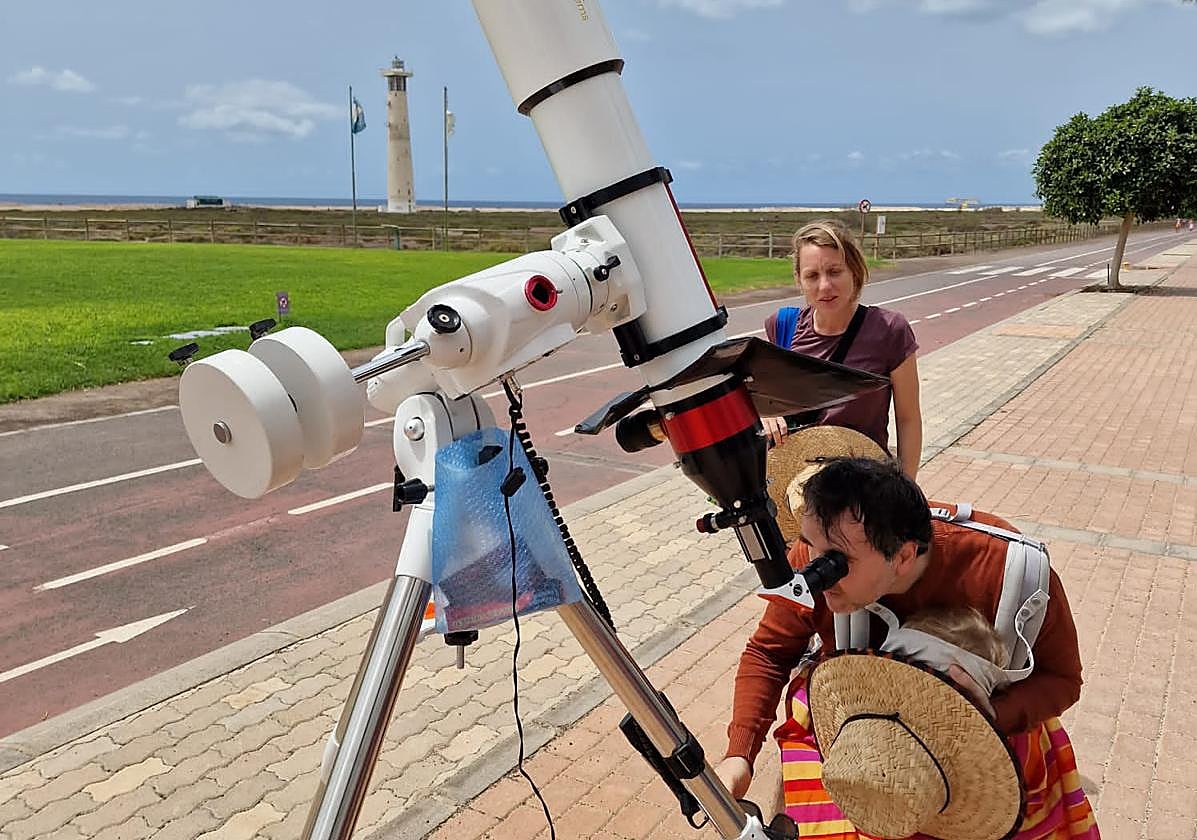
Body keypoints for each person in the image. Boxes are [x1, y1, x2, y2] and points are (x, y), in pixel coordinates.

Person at [717, 457, 1093, 838]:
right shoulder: (820, 546)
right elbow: (769, 652)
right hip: (853, 741)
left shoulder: (1009, 570)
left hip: (980, 745)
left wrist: (984, 718)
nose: (816, 571)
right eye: (810, 545)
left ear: (903, 556)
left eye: (838, 562)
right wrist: (739, 755)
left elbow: (1062, 678)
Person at [762, 220, 922, 478]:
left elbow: (908, 418)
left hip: (867, 486)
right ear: (799, 280)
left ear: (855, 272)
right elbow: (763, 399)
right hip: (795, 489)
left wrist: (908, 489)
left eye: (835, 271)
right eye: (812, 275)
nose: (824, 286)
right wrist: (763, 415)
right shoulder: (783, 327)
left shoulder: (890, 330)